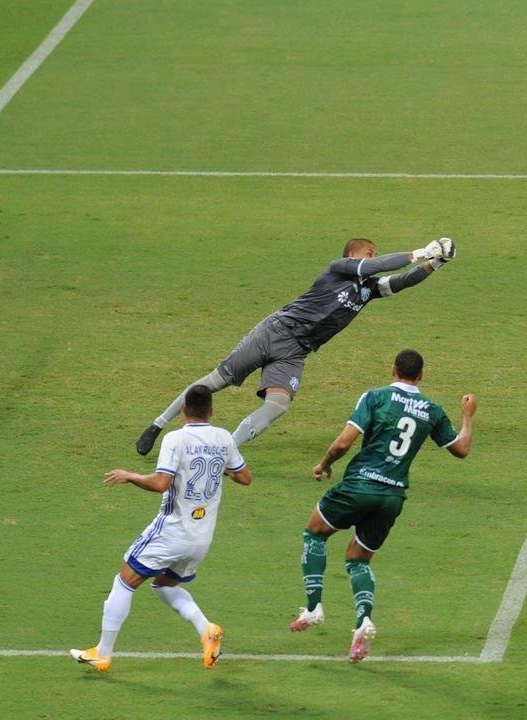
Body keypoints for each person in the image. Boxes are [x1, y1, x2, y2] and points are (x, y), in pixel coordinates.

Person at [135, 237, 457, 454]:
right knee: (215, 382)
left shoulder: (367, 290)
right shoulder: (339, 268)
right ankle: (157, 425)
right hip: (275, 331)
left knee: (278, 405)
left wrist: (436, 262)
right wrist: (419, 252)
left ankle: (226, 452)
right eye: (369, 252)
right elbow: (377, 266)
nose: (374, 257)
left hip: (295, 352)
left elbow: (401, 282)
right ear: (353, 255)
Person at [288, 349, 476, 663]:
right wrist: (468, 415)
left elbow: (343, 443)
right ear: (421, 376)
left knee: (315, 533)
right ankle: (363, 621)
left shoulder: (375, 397)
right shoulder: (432, 410)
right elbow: (461, 450)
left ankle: (313, 608)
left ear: (393, 370)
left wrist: (323, 464)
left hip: (359, 485)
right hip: (392, 497)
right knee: (358, 560)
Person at [70, 385, 252, 673]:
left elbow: (160, 484)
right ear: (212, 411)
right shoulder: (224, 438)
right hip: (201, 537)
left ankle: (102, 653)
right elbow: (245, 477)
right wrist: (217, 467)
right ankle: (207, 629)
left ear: (182, 409)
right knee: (163, 585)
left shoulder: (175, 439)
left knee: (125, 580)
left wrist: (130, 476)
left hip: (172, 531)